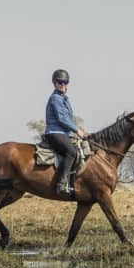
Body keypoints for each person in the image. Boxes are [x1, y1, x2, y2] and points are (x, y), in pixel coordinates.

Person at [43, 69, 87, 197]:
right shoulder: (55, 98)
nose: (62, 85)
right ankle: (61, 184)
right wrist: (77, 130)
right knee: (72, 152)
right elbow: (62, 119)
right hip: (54, 132)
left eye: (65, 82)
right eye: (59, 82)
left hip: (64, 133)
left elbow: (67, 118)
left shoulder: (64, 99)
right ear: (54, 83)